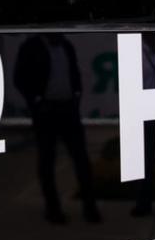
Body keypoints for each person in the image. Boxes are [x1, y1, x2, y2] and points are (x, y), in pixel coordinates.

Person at [15, 33, 101, 224]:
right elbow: (19, 78)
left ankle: (90, 206)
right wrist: (36, 101)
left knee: (81, 159)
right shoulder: (31, 47)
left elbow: (74, 73)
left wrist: (76, 94)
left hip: (68, 108)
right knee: (47, 160)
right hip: (46, 111)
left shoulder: (66, 45)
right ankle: (53, 209)